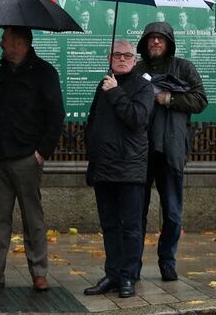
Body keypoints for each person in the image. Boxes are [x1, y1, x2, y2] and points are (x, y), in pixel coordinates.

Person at [0, 27, 63, 292]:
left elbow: (56, 116)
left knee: (33, 218)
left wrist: (41, 153)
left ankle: (39, 272)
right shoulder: (3, 71)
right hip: (0, 155)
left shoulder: (44, 72)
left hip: (27, 156)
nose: (1, 45)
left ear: (19, 43)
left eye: (5, 41)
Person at [133, 22, 207, 281]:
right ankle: (133, 265)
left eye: (161, 38)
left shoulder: (183, 68)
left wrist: (169, 99)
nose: (155, 42)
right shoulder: (137, 68)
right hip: (140, 153)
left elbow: (200, 100)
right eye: (151, 38)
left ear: (169, 42)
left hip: (171, 151)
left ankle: (167, 261)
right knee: (136, 213)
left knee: (173, 213)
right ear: (144, 42)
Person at [83, 40, 154, 299]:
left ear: (134, 61)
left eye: (127, 55)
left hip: (130, 169)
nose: (122, 59)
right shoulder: (103, 86)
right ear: (109, 58)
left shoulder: (143, 87)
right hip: (104, 168)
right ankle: (112, 273)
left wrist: (115, 92)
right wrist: (92, 153)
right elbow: (93, 122)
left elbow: (136, 118)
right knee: (109, 225)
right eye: (116, 55)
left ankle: (128, 276)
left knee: (131, 227)